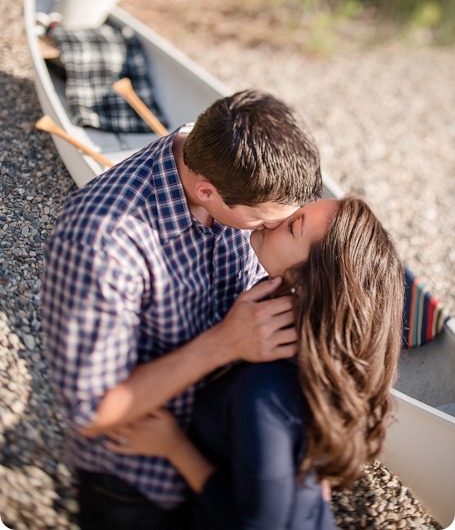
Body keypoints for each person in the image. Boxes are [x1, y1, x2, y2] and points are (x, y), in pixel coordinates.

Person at [41, 89, 322, 530]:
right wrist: (222, 344)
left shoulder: (237, 177)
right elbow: (91, 411)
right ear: (207, 192)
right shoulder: (102, 241)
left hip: (220, 451)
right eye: (265, 224)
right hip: (140, 484)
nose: (275, 230)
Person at [106, 196, 404, 530]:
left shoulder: (267, 390)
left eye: (293, 225)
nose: (276, 218)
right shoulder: (325, 359)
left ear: (305, 285)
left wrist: (174, 447)